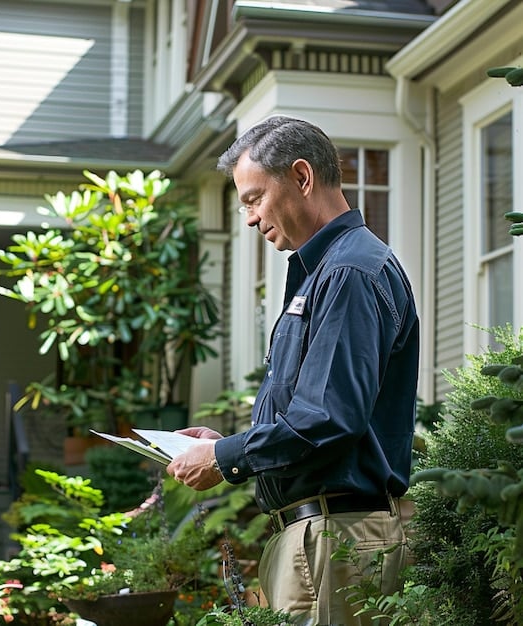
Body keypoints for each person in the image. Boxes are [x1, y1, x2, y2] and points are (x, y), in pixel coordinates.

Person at [166, 115, 419, 625]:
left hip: (336, 540)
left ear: (302, 178)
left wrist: (225, 456)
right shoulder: (324, 272)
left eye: (254, 198)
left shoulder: (348, 273)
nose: (250, 218)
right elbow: (316, 415)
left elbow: (329, 419)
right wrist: (226, 445)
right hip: (323, 538)